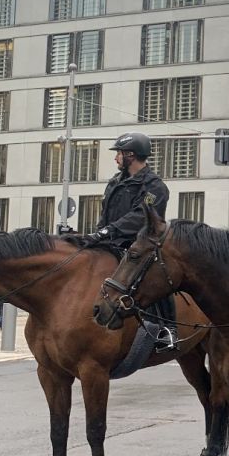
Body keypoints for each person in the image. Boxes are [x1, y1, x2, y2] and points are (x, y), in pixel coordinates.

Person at [85, 131, 176, 351]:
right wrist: (98, 234)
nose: (116, 158)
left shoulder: (154, 186)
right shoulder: (115, 182)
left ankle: (168, 329)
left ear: (131, 155)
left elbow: (138, 216)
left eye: (119, 154)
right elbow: (106, 214)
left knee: (158, 276)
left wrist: (109, 231)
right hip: (111, 240)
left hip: (141, 244)